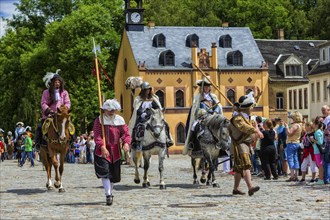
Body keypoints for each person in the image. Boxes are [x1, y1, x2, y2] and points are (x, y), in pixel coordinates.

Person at [93, 99, 131, 206]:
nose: (111, 112)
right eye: (109, 110)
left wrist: (126, 143)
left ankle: (110, 191)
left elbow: (126, 134)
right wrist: (102, 147)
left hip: (115, 151)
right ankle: (108, 194)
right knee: (105, 172)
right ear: (104, 110)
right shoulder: (99, 120)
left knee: (114, 175)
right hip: (102, 151)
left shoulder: (120, 120)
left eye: (113, 110)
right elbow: (97, 135)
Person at [229, 92, 263, 196]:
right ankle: (250, 187)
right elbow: (244, 128)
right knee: (246, 166)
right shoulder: (238, 119)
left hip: (246, 145)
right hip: (239, 145)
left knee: (239, 169)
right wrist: (256, 131)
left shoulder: (249, 118)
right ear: (247, 107)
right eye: (252, 106)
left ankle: (236, 188)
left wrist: (256, 131)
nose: (253, 108)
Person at [183, 76, 223, 155]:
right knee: (194, 126)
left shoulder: (213, 97)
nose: (206, 88)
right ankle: (191, 144)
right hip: (202, 118)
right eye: (205, 86)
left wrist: (215, 111)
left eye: (208, 86)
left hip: (212, 116)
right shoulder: (198, 97)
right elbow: (195, 109)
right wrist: (201, 112)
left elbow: (218, 106)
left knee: (222, 126)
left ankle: (223, 144)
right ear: (202, 87)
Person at [128, 81, 173, 151]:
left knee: (165, 124)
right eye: (146, 90)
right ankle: (136, 143)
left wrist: (151, 112)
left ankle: (167, 139)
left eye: (148, 89)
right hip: (142, 118)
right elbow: (137, 109)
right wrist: (141, 113)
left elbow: (157, 107)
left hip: (152, 117)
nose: (147, 91)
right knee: (137, 127)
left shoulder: (153, 98)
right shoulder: (138, 99)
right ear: (143, 90)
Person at [36, 70, 71, 148]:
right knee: (40, 127)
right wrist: (49, 110)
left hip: (61, 114)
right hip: (49, 115)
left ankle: (71, 142)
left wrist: (65, 109)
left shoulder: (64, 92)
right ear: (52, 83)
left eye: (59, 82)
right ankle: (38, 143)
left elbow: (68, 102)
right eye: (56, 82)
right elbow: (43, 103)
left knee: (70, 126)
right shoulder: (46, 92)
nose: (57, 83)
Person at [284, 111, 303, 182]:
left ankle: (292, 175)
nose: (291, 119)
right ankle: (296, 175)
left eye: (292, 117)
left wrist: (286, 127)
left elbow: (289, 134)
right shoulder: (300, 125)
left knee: (290, 159)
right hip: (297, 143)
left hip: (291, 143)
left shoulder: (295, 125)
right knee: (295, 159)